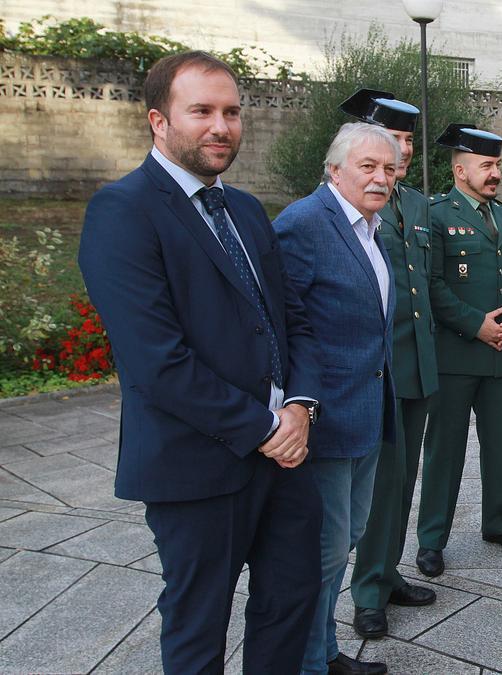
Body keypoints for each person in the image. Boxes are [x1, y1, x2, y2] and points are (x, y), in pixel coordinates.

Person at [78, 51, 323, 673]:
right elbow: (156, 361)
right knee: (197, 623)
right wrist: (266, 428)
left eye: (232, 112)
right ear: (159, 121)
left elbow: (292, 321)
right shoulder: (123, 211)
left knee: (291, 600)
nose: (222, 126)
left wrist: (299, 406)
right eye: (203, 111)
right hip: (196, 464)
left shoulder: (243, 208)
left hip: (285, 456)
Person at [273, 122, 401, 675]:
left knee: (345, 539)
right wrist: (294, 407)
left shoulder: (373, 226)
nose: (380, 178)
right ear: (335, 170)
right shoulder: (304, 224)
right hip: (320, 420)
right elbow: (280, 326)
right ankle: (309, 663)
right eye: (368, 167)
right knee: (323, 555)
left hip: (366, 414)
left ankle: (323, 652)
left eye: (389, 169)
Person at [415, 124, 502, 578]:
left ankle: (498, 523)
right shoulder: (434, 214)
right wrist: (477, 325)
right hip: (455, 357)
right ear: (460, 169)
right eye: (486, 166)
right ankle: (432, 539)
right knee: (444, 451)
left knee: (501, 446)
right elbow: (431, 284)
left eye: (497, 165)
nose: (495, 174)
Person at [338, 90, 440, 640]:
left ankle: (389, 569)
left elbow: (430, 286)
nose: (401, 152)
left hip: (417, 365)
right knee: (376, 487)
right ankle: (368, 592)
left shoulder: (418, 205)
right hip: (375, 371)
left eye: (406, 142)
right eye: (392, 140)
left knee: (402, 484)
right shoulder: (346, 202)